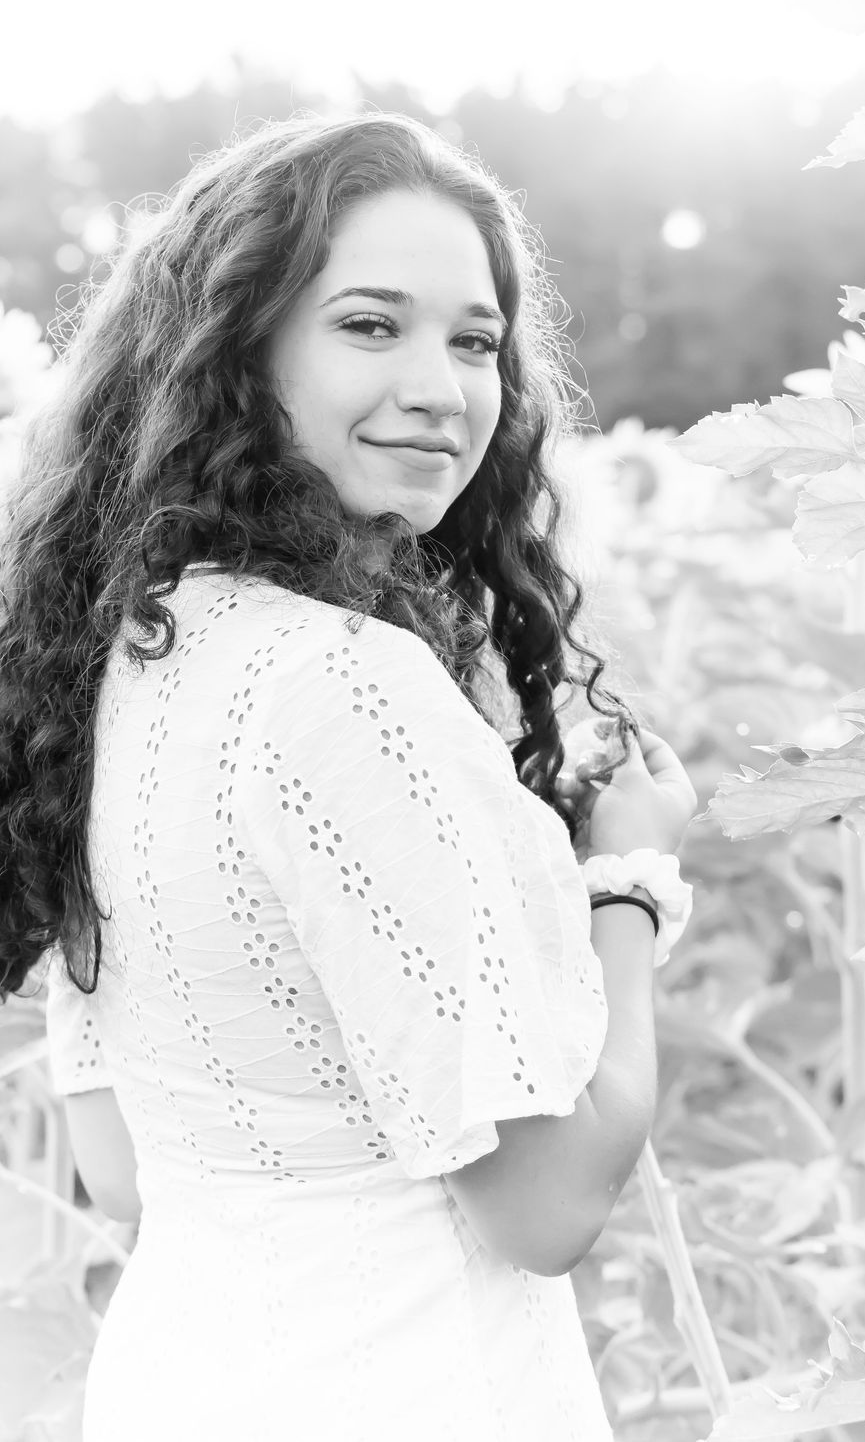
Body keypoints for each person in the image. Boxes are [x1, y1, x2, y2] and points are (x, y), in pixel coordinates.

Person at [0, 110, 697, 1441]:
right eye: (371, 325)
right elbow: (548, 1205)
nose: (443, 387)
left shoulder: (117, 664)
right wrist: (630, 878)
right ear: (232, 351)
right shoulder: (349, 685)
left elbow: (121, 1172)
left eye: (477, 341)